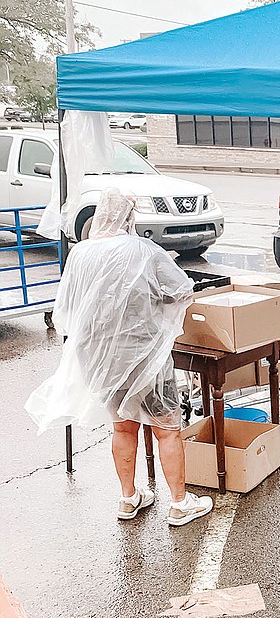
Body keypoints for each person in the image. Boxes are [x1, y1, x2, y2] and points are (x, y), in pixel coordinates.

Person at [25, 188, 213, 527]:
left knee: (123, 427)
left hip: (101, 360)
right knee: (166, 429)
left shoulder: (80, 255)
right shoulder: (144, 251)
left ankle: (128, 498)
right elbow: (182, 289)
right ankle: (179, 503)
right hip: (146, 358)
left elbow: (65, 309)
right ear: (129, 218)